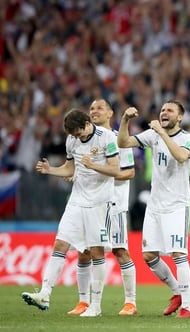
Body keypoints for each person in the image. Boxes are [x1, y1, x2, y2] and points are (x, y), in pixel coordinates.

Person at [22, 108, 120, 317]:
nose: (76, 137)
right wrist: (51, 170)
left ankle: (96, 306)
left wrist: (93, 165)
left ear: (86, 123)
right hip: (76, 200)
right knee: (60, 243)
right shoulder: (71, 140)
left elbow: (115, 169)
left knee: (95, 252)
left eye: (78, 133)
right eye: (73, 135)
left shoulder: (107, 137)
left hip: (99, 202)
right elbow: (70, 168)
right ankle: (44, 293)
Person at [117, 101, 190, 319]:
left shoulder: (188, 138)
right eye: (162, 110)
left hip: (177, 205)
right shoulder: (153, 136)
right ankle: (177, 292)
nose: (164, 113)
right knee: (149, 255)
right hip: (155, 205)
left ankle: (187, 307)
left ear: (179, 117)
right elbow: (123, 142)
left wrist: (161, 132)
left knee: (179, 254)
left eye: (169, 110)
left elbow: (180, 156)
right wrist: (125, 120)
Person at [67, 99, 138, 316]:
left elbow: (129, 172)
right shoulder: (82, 140)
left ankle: (130, 302)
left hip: (113, 204)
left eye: (99, 108)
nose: (94, 111)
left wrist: (100, 172)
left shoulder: (118, 139)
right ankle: (83, 302)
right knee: (84, 251)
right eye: (91, 109)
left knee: (119, 250)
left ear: (110, 113)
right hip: (88, 204)